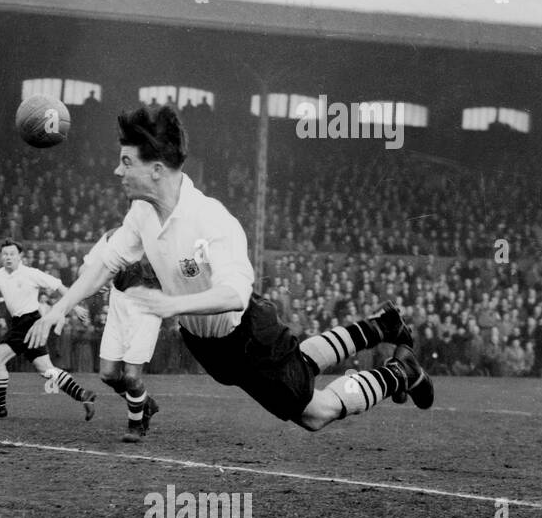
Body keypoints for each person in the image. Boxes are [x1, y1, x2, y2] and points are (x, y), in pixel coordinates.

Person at [29, 104, 432, 432]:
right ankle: (381, 325)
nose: (118, 171)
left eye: (125, 162)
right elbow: (104, 263)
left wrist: (173, 306)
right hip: (209, 345)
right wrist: (58, 308)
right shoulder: (141, 213)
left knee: (315, 413)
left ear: (155, 169)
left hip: (246, 340)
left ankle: (400, 373)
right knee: (301, 363)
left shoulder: (211, 221)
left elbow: (235, 295)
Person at [0, 240, 97, 420]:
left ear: (20, 256)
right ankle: (82, 395)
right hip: (20, 323)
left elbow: (58, 285)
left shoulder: (30, 273)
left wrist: (75, 306)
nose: (8, 257)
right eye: (5, 254)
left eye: (12, 254)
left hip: (29, 322)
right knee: (45, 368)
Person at [96, 254, 163, 441]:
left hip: (148, 304)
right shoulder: (118, 235)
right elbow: (92, 265)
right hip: (119, 301)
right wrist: (100, 279)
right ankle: (146, 404)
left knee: (132, 376)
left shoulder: (164, 238)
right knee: (107, 374)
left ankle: (135, 425)